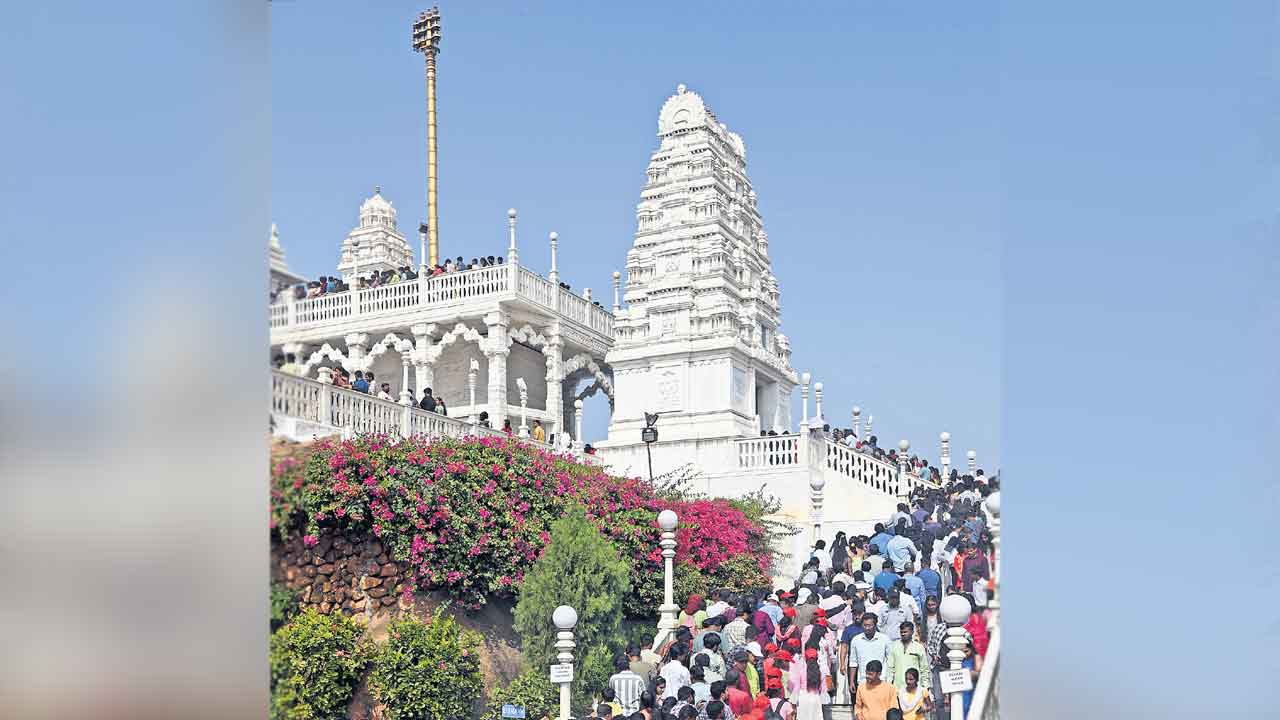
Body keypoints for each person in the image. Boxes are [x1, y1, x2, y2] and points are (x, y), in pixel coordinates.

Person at [884, 621, 929, 691]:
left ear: (912, 632)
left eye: (905, 632)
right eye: (901, 632)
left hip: (915, 688)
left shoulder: (919, 647)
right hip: (898, 688)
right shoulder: (894, 646)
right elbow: (890, 668)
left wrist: (925, 686)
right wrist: (889, 685)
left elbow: (924, 668)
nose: (903, 634)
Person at [787, 646, 829, 720]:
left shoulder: (801, 670)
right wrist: (823, 701)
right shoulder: (821, 671)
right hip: (816, 698)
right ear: (817, 658)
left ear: (805, 658)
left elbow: (796, 688)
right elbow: (823, 689)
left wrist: (793, 702)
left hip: (803, 698)